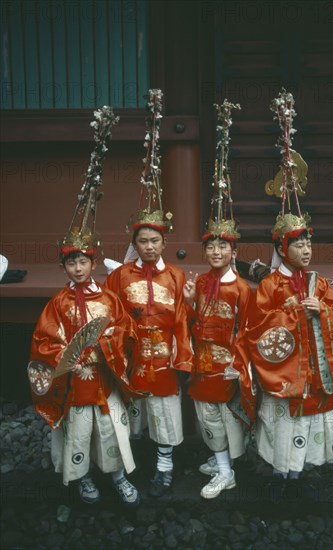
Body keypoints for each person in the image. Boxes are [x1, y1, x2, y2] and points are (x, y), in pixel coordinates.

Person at [242, 90, 333, 501]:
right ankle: (277, 473)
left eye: (309, 243)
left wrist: (319, 308)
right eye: (298, 244)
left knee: (310, 424)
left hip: (313, 372)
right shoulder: (270, 284)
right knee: (281, 422)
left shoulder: (318, 282)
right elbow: (257, 328)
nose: (306, 250)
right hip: (285, 372)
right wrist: (291, 314)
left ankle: (301, 473)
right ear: (281, 248)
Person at [104, 89, 194, 497]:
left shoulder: (176, 276)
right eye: (142, 240)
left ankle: (164, 466)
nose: (150, 246)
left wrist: (182, 345)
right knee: (133, 409)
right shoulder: (119, 276)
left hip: (166, 355)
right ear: (135, 243)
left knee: (164, 413)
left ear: (163, 241)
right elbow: (108, 313)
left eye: (155, 240)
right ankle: (132, 462)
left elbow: (184, 318)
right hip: (133, 352)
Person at [28, 235, 144, 506]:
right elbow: (43, 340)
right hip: (74, 383)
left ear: (93, 263)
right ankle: (83, 477)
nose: (78, 269)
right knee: (78, 432)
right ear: (63, 267)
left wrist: (104, 348)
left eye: (83, 262)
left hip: (104, 377)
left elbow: (125, 331)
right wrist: (65, 357)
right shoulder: (58, 303)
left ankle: (118, 477)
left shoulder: (110, 299)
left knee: (111, 430)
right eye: (71, 263)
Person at [184, 235, 255, 499]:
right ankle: (222, 462)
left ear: (233, 252)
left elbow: (247, 329)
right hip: (203, 359)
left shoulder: (241, 288)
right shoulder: (200, 283)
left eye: (223, 246)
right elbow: (192, 323)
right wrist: (190, 302)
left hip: (228, 361)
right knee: (207, 413)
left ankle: (226, 471)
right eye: (211, 247)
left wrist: (239, 363)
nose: (216, 252)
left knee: (229, 416)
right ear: (204, 252)